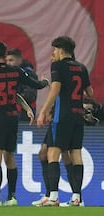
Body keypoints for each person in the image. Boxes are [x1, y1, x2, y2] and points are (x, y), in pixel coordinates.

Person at [0, 41, 49, 206]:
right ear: (5, 54)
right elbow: (36, 85)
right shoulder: (16, 71)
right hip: (12, 118)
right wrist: (44, 82)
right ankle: (11, 197)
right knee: (9, 156)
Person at [37, 36, 93, 206]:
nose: (53, 53)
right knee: (75, 153)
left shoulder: (58, 65)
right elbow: (90, 92)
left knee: (53, 153)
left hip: (62, 116)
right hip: (77, 115)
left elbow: (56, 89)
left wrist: (44, 111)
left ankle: (53, 197)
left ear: (61, 50)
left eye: (54, 50)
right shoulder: (82, 68)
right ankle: (77, 197)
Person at [6, 48, 38, 121]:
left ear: (19, 59)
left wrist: (12, 99)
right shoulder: (9, 74)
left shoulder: (28, 73)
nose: (8, 63)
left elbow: (30, 95)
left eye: (11, 60)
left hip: (25, 113)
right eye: (7, 60)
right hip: (13, 111)